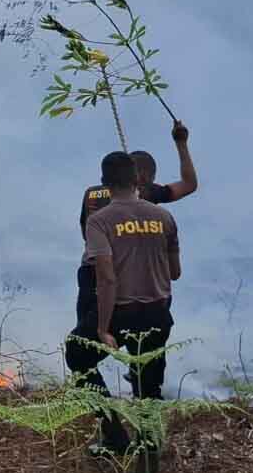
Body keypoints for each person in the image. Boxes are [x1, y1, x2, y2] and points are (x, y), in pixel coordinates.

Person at [67, 121, 197, 389]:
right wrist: (181, 144)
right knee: (143, 346)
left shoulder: (91, 194)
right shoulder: (151, 196)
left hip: (92, 276)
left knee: (85, 346)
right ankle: (142, 385)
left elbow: (85, 235)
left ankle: (100, 398)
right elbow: (189, 184)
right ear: (140, 177)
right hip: (130, 284)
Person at [83, 153, 181, 473]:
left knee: (78, 355)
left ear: (105, 182)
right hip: (158, 311)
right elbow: (176, 272)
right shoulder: (164, 217)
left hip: (123, 311)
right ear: (139, 181)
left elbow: (107, 278)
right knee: (148, 389)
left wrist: (102, 328)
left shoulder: (100, 221)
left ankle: (113, 432)